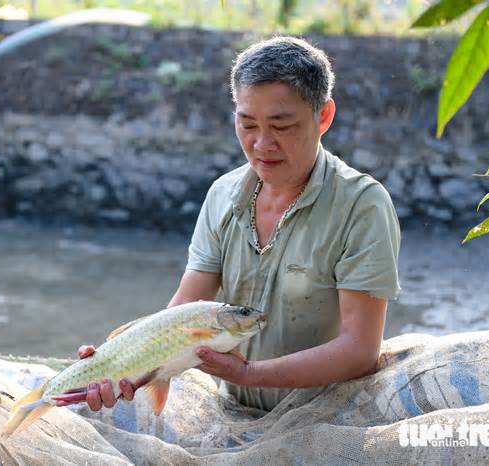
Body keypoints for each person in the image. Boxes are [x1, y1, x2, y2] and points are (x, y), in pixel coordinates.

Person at [74, 36, 401, 412]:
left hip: (325, 413)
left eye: (282, 125)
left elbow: (359, 350)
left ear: (323, 116)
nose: (262, 144)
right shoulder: (222, 194)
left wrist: (250, 373)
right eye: (247, 125)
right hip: (230, 408)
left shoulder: (362, 205)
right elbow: (184, 310)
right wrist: (119, 361)